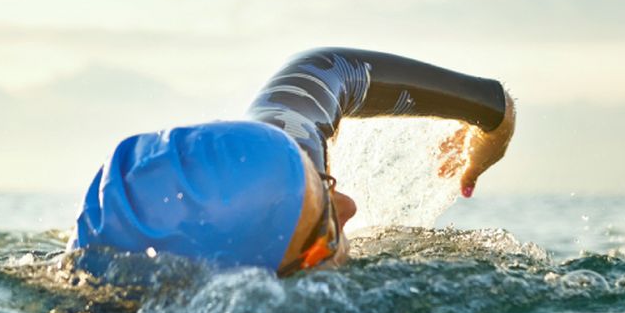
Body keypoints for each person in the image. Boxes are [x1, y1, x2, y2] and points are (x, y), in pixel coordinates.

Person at [74, 48, 515, 276]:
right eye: (323, 237)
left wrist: (495, 119)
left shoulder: (283, 157)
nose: (349, 208)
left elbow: (327, 68)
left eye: (324, 181)